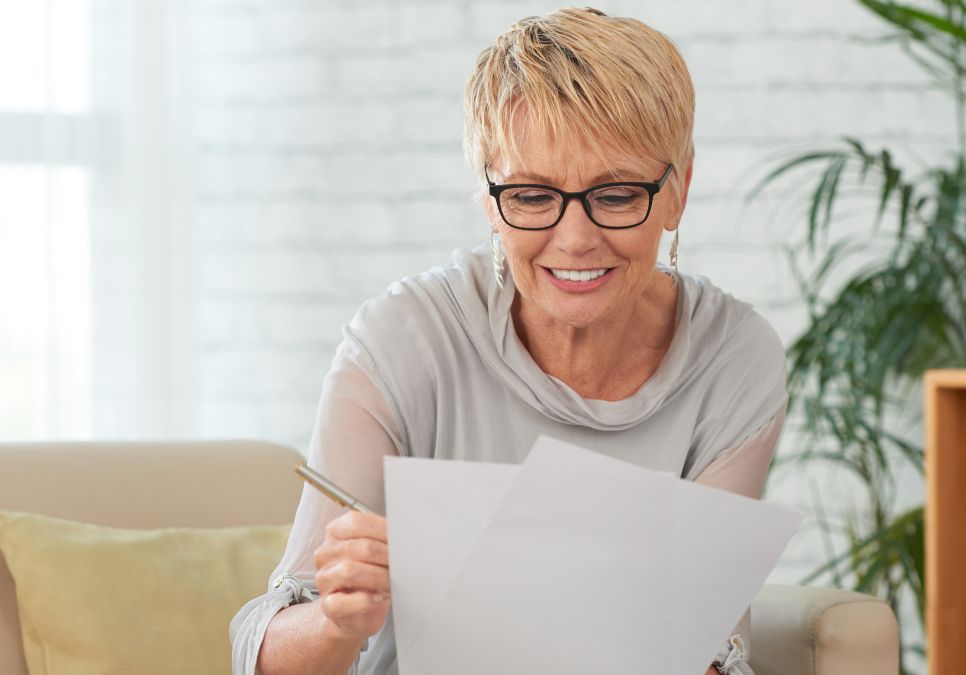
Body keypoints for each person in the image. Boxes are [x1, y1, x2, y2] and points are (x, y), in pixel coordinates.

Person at [230, 7, 787, 675]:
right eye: (531, 195)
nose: (575, 239)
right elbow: (263, 658)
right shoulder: (402, 341)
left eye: (614, 195)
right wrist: (336, 620)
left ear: (679, 192)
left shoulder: (736, 360)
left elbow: (712, 647)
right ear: (489, 198)